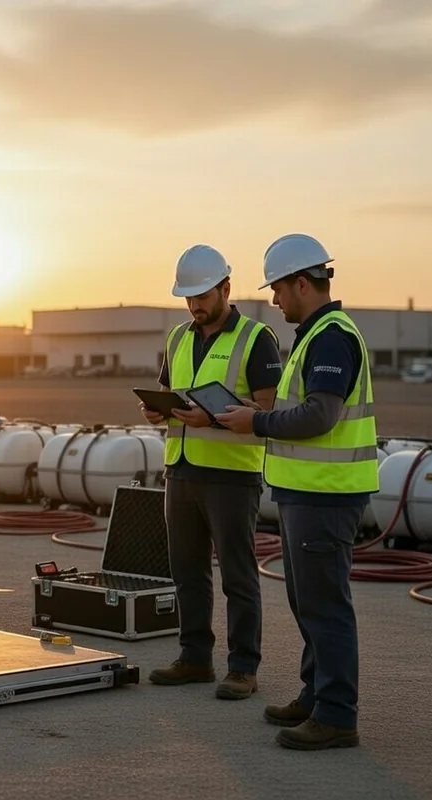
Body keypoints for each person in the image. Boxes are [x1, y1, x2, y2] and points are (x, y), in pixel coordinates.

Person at [216, 233, 378, 751]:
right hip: (305, 494)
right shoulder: (315, 334)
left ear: (302, 283)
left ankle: (336, 715)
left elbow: (321, 415)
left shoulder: (331, 336)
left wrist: (255, 422)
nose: (274, 299)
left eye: (279, 289)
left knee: (325, 606)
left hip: (326, 497)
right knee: (308, 602)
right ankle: (316, 695)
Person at [139, 244, 282, 702]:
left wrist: (214, 419)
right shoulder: (177, 338)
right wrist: (156, 411)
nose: (195, 305)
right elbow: (167, 392)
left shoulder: (257, 337)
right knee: (187, 571)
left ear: (225, 288)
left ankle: (243, 668)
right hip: (179, 471)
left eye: (202, 295)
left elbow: (268, 408)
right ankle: (195, 658)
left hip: (231, 475)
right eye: (188, 297)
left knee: (238, 575)